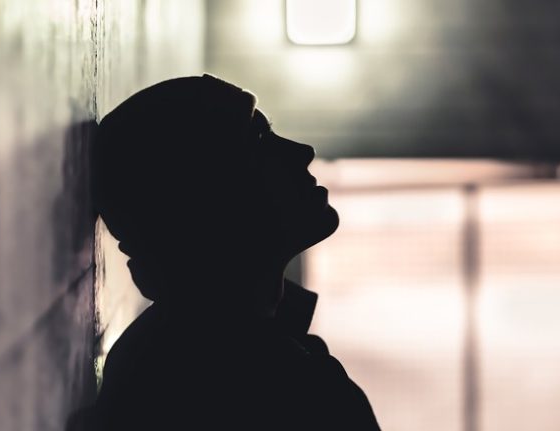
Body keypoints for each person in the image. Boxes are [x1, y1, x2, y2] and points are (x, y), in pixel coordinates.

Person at [90, 74, 380, 430]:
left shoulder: (181, 351)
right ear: (207, 203)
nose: (302, 151)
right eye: (259, 140)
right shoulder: (251, 384)